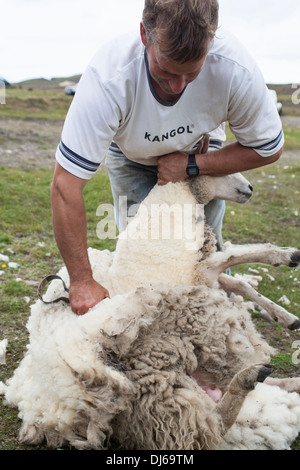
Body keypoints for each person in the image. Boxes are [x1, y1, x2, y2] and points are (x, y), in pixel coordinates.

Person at [51, 0, 284, 316]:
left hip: (200, 152)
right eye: (166, 69)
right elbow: (66, 184)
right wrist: (80, 280)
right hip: (132, 155)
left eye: (192, 72)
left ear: (211, 43)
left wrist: (192, 165)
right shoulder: (109, 78)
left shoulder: (234, 70)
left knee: (202, 249)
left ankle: (219, 327)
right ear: (145, 35)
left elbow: (267, 147)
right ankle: (153, 332)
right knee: (143, 249)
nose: (177, 86)